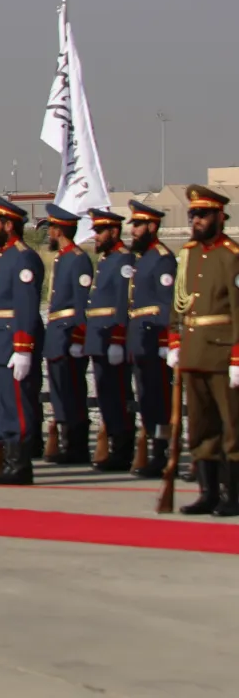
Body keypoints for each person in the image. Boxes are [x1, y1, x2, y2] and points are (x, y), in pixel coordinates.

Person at [169, 185, 239, 516]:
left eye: (202, 214)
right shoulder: (189, 254)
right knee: (199, 427)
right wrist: (173, 341)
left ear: (219, 217)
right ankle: (208, 492)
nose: (196, 220)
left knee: (232, 427)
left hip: (224, 354)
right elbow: (179, 303)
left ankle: (233, 494)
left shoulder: (231, 256)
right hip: (194, 352)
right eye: (193, 214)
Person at [0, 201, 40, 485]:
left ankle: (19, 463)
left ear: (9, 225)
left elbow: (25, 306)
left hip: (12, 342)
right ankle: (4, 456)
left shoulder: (23, 258)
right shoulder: (0, 256)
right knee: (1, 405)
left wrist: (23, 348)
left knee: (16, 404)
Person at [39, 203, 92, 464]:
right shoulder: (62, 258)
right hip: (57, 334)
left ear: (59, 231)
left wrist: (80, 338)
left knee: (73, 391)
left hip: (70, 333)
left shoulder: (78, 259)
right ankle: (65, 439)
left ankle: (76, 445)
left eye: (51, 229)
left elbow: (82, 303)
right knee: (60, 390)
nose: (49, 234)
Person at [126, 199, 176, 477]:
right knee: (145, 396)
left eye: (137, 225)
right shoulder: (143, 258)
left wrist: (166, 343)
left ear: (152, 226)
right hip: (140, 338)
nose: (132, 230)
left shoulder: (162, 258)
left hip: (155, 338)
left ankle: (161, 450)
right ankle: (152, 446)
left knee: (158, 398)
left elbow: (166, 303)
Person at [84, 207, 135, 471]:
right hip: (99, 337)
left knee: (117, 394)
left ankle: (122, 448)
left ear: (114, 232)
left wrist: (118, 338)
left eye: (101, 232)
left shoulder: (124, 260)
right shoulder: (107, 260)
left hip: (111, 338)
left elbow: (122, 302)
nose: (96, 237)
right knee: (105, 394)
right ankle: (115, 442)